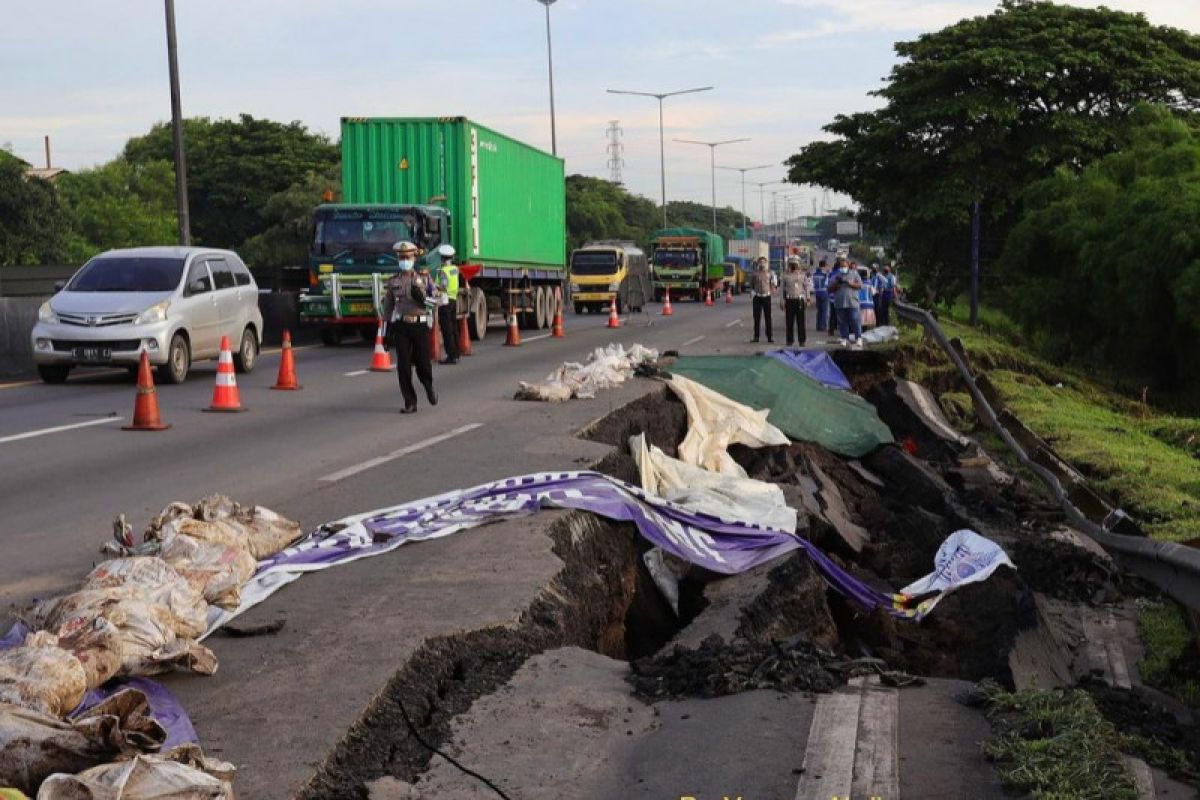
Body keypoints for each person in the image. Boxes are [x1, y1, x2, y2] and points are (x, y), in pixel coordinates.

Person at [383, 241, 437, 413]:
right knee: (403, 366)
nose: (404, 260)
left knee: (423, 364)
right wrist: (386, 332)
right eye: (401, 257)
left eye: (407, 257)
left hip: (419, 325)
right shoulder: (393, 281)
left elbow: (437, 301)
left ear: (414, 258)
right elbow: (388, 308)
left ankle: (428, 387)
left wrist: (423, 299)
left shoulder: (425, 278)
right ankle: (410, 402)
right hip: (402, 326)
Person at [828, 256, 863, 347]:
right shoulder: (836, 275)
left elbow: (860, 285)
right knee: (842, 321)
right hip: (840, 302)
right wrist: (836, 284)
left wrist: (849, 282)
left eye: (844, 266)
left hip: (852, 302)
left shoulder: (854, 274)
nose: (843, 268)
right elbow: (829, 289)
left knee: (854, 319)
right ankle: (844, 338)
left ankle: (858, 338)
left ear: (848, 265)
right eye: (841, 266)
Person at [434, 244, 460, 364]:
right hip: (454, 299)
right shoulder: (455, 269)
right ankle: (457, 353)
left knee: (446, 329)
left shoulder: (443, 271)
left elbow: (443, 286)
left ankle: (451, 356)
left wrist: (435, 287)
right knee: (454, 327)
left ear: (442, 258)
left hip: (445, 301)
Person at [780, 257, 810, 348]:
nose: (793, 266)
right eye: (791, 264)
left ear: (798, 265)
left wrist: (808, 299)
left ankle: (802, 340)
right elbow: (782, 290)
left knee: (801, 322)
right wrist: (782, 301)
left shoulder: (802, 275)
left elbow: (807, 287)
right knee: (789, 322)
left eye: (795, 264)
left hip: (800, 300)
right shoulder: (785, 276)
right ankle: (789, 340)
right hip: (789, 300)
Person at [750, 257, 774, 343]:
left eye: (764, 262)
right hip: (757, 297)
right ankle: (756, 337)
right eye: (760, 262)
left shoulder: (770, 273)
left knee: (768, 318)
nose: (762, 264)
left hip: (766, 297)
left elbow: (773, 284)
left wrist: (771, 290)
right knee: (756, 318)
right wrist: (752, 292)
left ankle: (769, 337)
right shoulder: (754, 274)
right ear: (758, 263)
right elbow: (752, 285)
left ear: (766, 263)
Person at [812, 259, 830, 333]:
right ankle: (823, 327)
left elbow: (813, 283)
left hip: (817, 293)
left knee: (819, 310)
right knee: (824, 311)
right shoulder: (825, 274)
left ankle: (818, 326)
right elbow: (827, 284)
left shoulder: (815, 273)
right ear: (824, 266)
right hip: (824, 292)